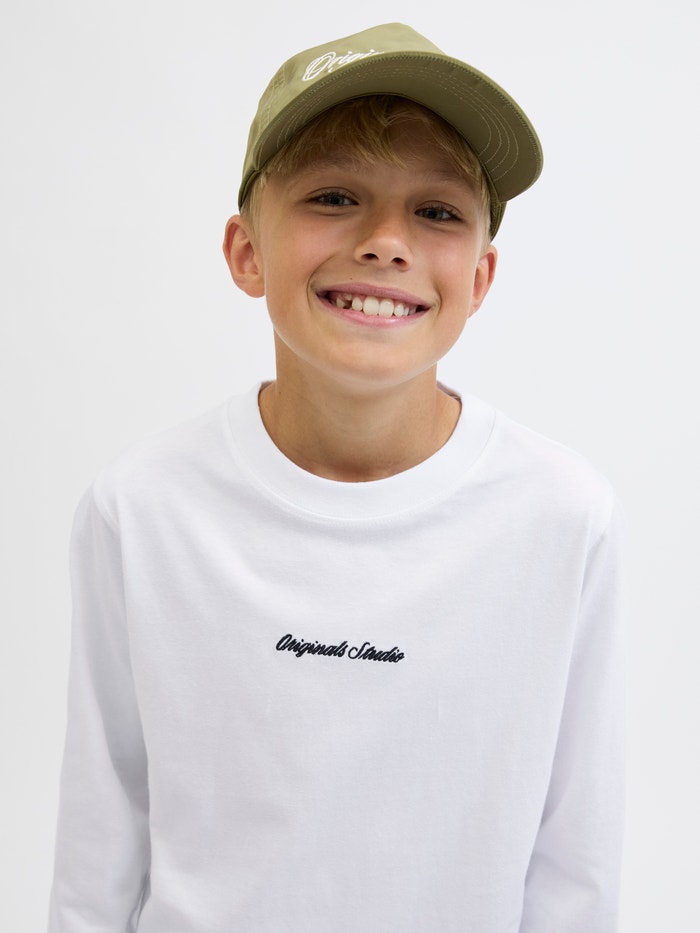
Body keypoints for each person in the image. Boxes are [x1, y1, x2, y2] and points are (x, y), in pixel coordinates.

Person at [48, 22, 626, 933]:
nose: (387, 241)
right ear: (246, 251)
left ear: (480, 278)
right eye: (333, 196)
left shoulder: (561, 517)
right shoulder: (143, 509)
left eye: (437, 211)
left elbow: (574, 870)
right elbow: (100, 846)